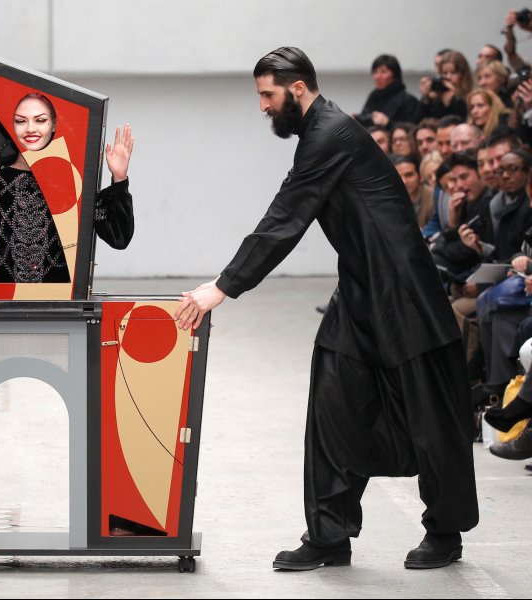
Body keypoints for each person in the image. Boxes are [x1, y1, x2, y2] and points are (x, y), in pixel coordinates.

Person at [174, 47, 478, 571]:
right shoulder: (321, 133)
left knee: (430, 419)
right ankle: (329, 536)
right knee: (334, 408)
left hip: (404, 293)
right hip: (361, 289)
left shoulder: (330, 133)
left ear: (296, 89)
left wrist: (222, 287)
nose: (263, 107)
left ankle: (445, 533)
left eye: (267, 95)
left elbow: (286, 215)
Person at [0, 94, 135, 324]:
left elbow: (119, 238)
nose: (30, 128)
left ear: (54, 124)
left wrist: (119, 178)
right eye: (20, 121)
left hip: (59, 308)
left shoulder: (73, 173)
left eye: (40, 120)